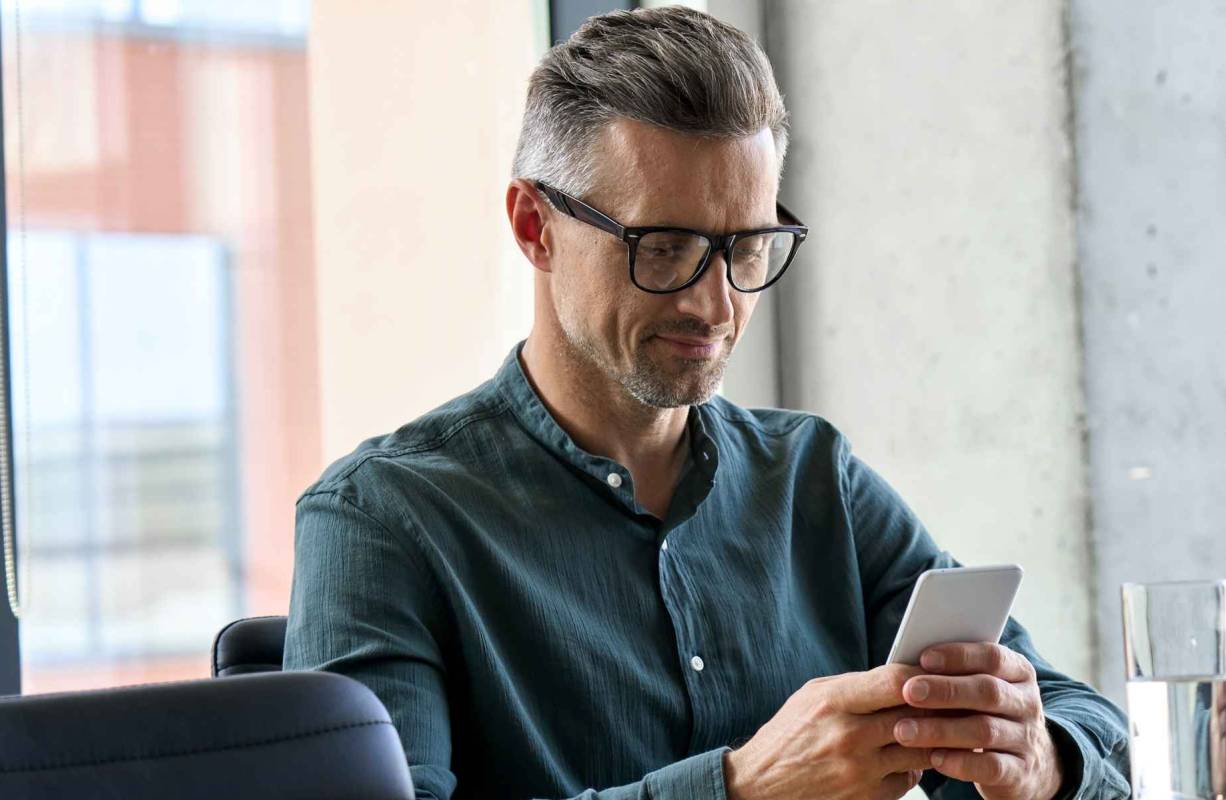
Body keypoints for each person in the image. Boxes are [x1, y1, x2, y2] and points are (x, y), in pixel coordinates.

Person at [284, 7, 1129, 800]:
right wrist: (740, 788)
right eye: (667, 246)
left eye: (747, 247)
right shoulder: (382, 519)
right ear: (534, 226)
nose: (715, 304)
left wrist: (1038, 755)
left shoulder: (812, 479)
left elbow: (1091, 727)